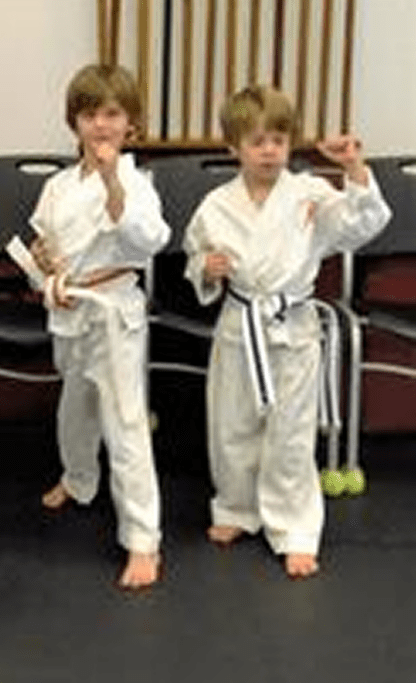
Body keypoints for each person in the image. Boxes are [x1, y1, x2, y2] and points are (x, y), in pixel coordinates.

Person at [183, 85, 391, 578]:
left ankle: (294, 528)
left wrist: (354, 170)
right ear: (233, 147)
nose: (270, 150)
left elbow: (364, 221)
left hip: (293, 329)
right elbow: (195, 256)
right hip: (239, 326)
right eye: (257, 141)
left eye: (278, 139)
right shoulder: (216, 204)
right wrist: (205, 268)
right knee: (232, 424)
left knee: (291, 434)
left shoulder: (310, 195)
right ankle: (235, 508)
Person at [29, 64, 169, 589]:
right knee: (75, 406)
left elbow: (148, 240)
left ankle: (142, 540)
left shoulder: (135, 182)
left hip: (113, 312)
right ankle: (79, 478)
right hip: (68, 308)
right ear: (75, 122)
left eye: (112, 113)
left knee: (125, 423)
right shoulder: (59, 185)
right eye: (90, 114)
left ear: (130, 122)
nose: (101, 124)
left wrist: (112, 180)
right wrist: (45, 264)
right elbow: (45, 240)